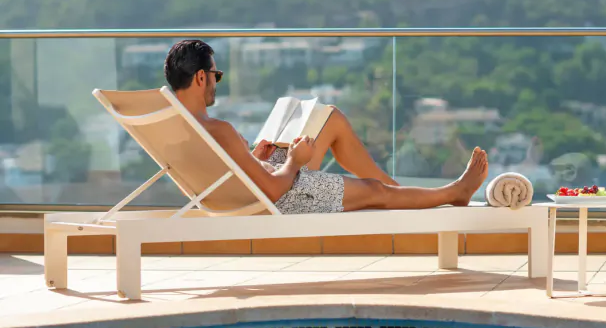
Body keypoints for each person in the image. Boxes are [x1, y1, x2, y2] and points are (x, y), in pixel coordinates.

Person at [163, 39, 488, 214]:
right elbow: (275, 190)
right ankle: (453, 192)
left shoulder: (174, 131)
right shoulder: (218, 129)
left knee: (328, 116)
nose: (216, 83)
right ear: (201, 77)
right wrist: (295, 160)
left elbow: (201, 187)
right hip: (277, 200)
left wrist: (253, 160)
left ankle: (403, 194)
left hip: (243, 198)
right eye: (216, 76)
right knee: (375, 192)